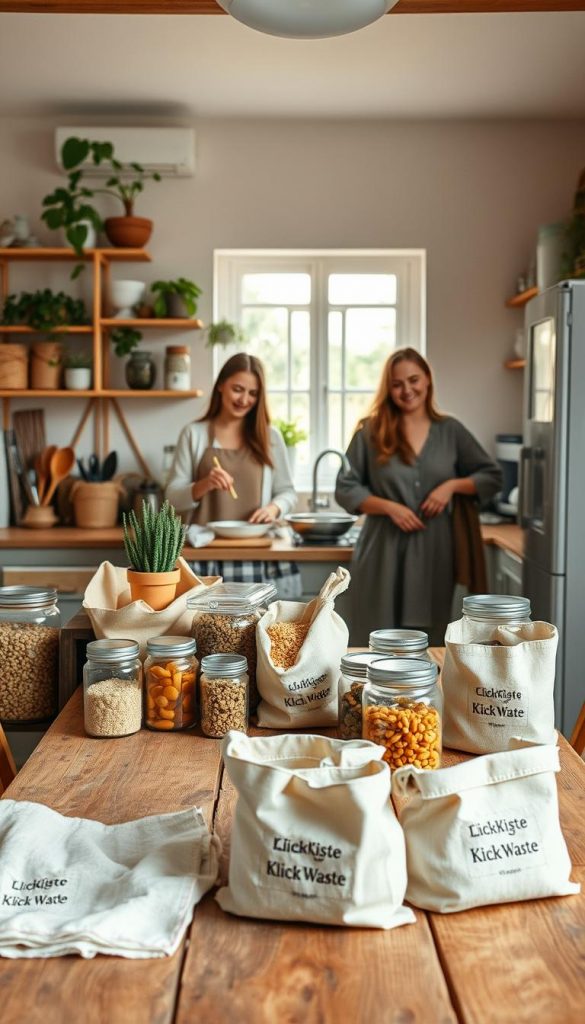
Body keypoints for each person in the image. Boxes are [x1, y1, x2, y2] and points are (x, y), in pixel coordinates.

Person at [335, 347, 502, 646]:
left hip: (436, 550)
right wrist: (388, 507)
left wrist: (450, 486)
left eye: (413, 380)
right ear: (389, 388)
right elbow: (345, 488)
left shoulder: (451, 431)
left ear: (427, 380)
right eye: (397, 384)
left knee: (432, 642)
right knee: (377, 639)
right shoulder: (370, 431)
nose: (406, 390)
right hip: (381, 550)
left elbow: (491, 476)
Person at [165, 352, 300, 594]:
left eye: (253, 393)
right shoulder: (193, 434)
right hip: (204, 557)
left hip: (257, 555)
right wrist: (203, 484)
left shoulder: (270, 437)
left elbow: (288, 492)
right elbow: (173, 497)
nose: (244, 399)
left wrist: (273, 508)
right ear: (221, 386)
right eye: (238, 389)